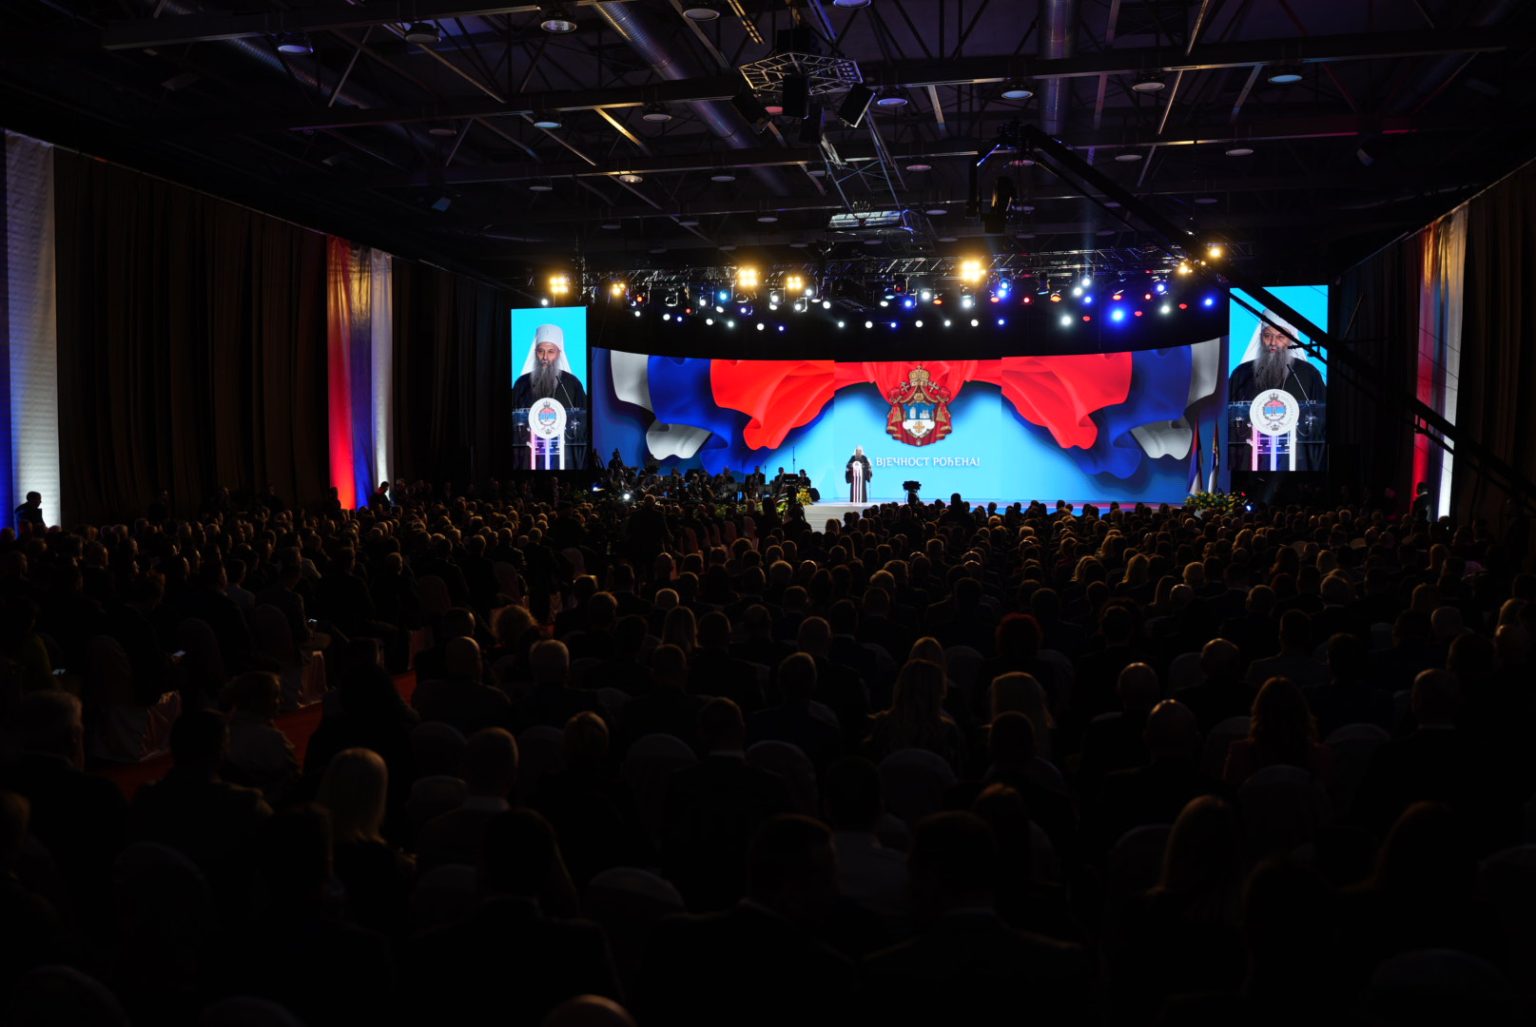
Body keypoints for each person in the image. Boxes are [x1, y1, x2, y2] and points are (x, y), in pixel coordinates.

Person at [1228, 312, 1326, 405]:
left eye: (1280, 337)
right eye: (1267, 336)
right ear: (1260, 337)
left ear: (1291, 340)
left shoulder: (1308, 373)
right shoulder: (1242, 374)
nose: (1273, 342)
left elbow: (1324, 411)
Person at [512, 323, 588, 410]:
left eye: (550, 352)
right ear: (535, 353)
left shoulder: (573, 384)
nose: (545, 357)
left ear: (558, 353)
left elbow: (584, 414)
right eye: (541, 351)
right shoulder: (521, 383)